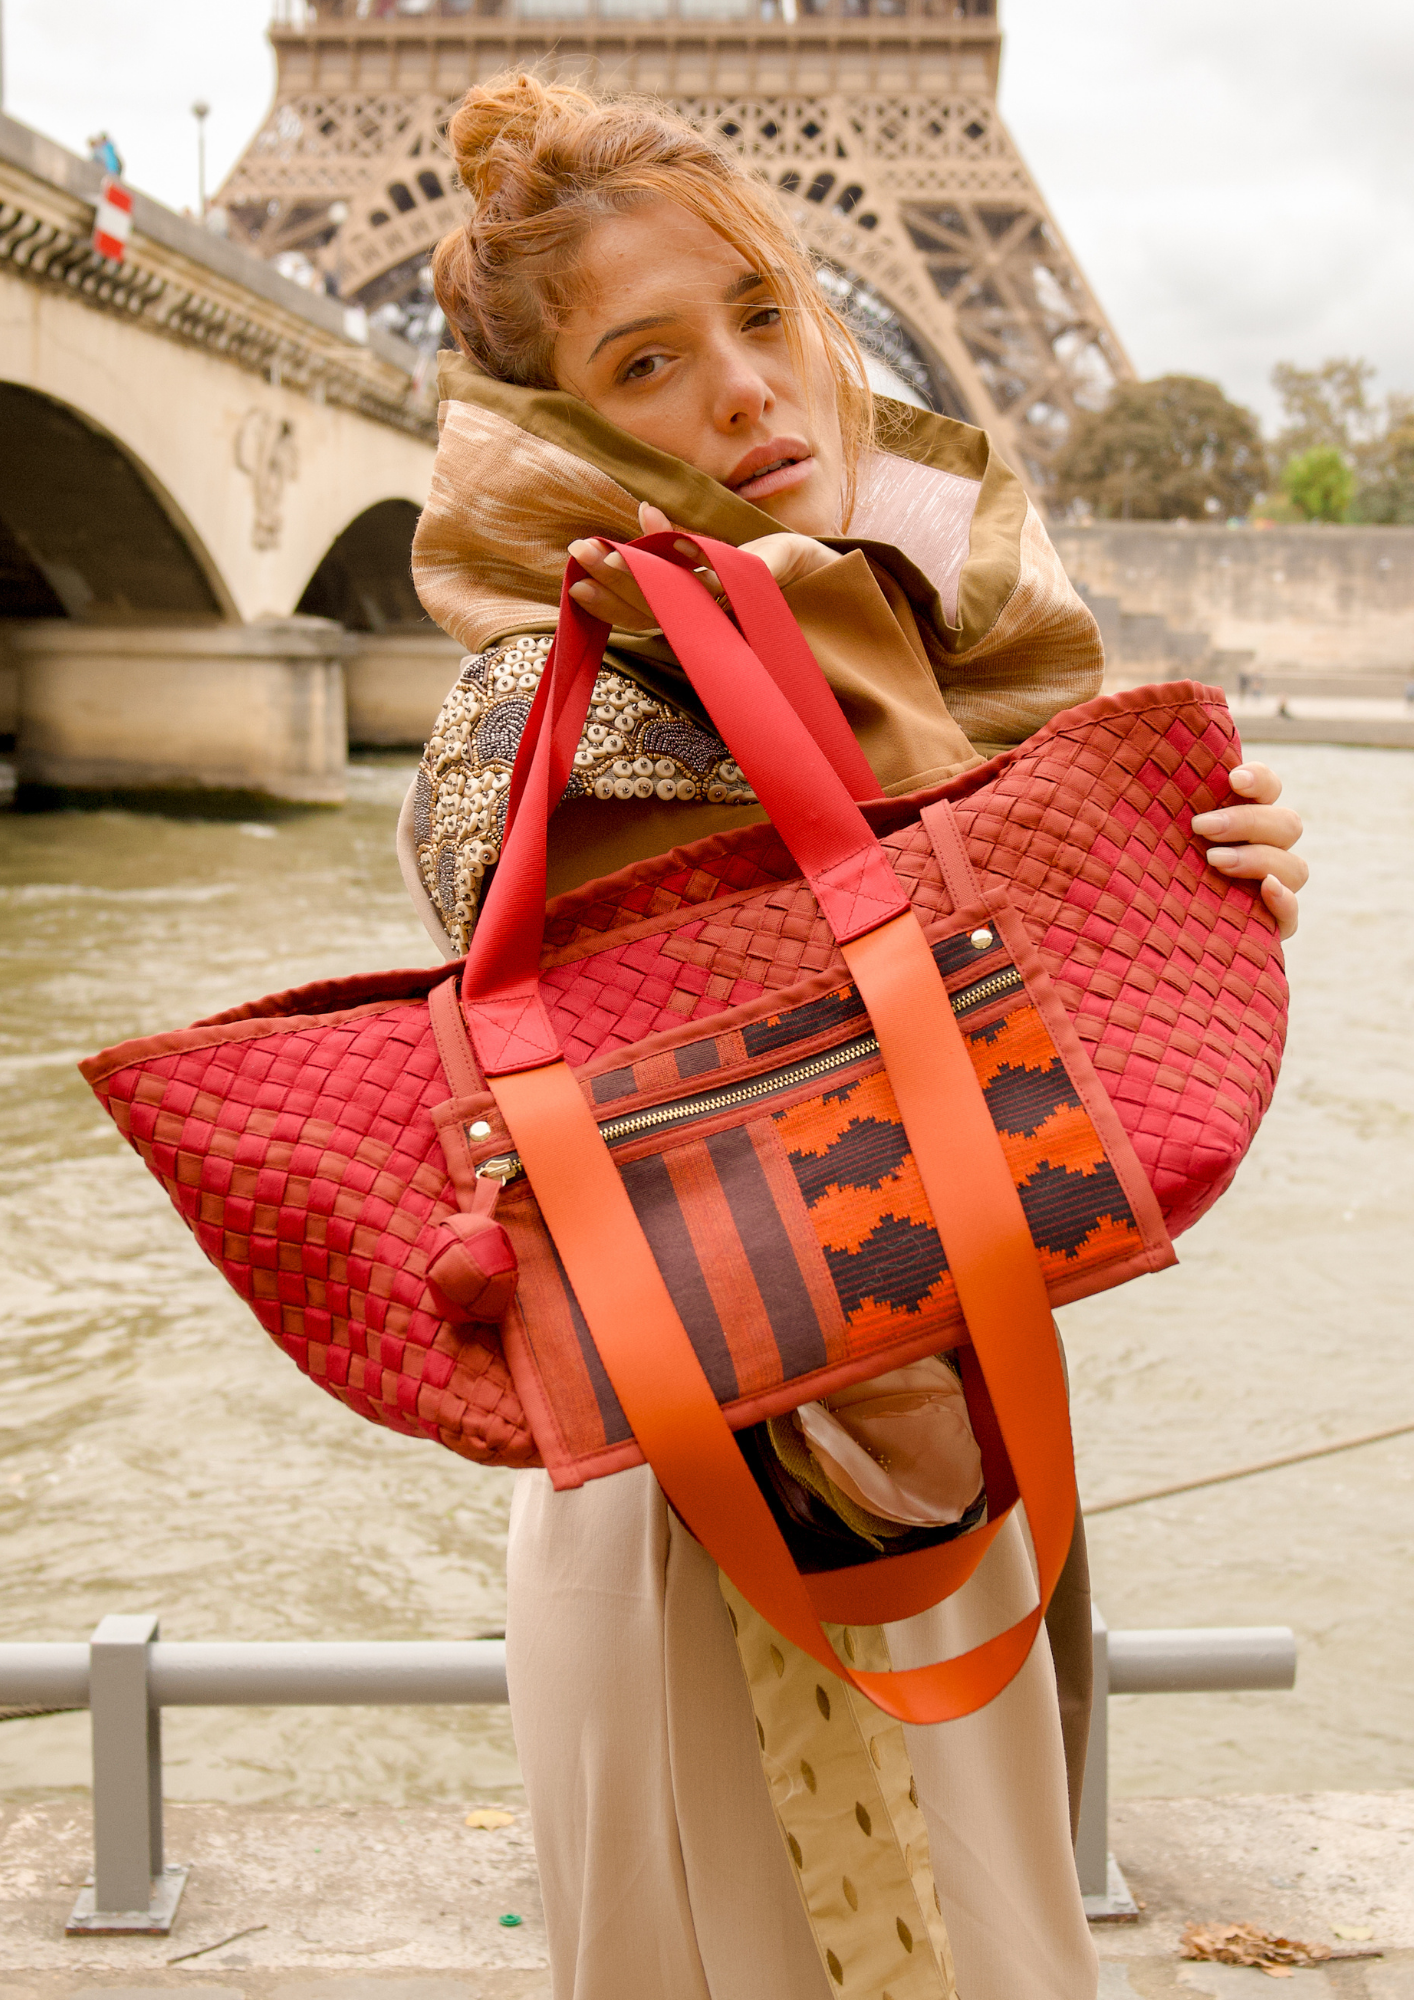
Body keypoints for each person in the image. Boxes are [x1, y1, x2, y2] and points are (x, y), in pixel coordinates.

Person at [398, 72, 1307, 2000]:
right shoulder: (559, 720)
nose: (747, 389)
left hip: (925, 1443)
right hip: (730, 1507)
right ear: (556, 425)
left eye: (759, 311)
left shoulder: (892, 648)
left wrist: (1195, 891)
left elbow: (1017, 1090)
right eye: (648, 363)